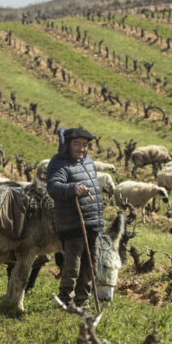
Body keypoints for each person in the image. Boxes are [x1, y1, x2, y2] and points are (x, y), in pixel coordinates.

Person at [46, 127, 104, 308]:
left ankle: (82, 299)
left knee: (91, 263)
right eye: (77, 144)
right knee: (73, 263)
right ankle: (65, 297)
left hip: (91, 222)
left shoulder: (88, 162)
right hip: (72, 221)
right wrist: (73, 189)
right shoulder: (59, 163)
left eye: (85, 145)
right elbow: (53, 186)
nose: (81, 148)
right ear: (68, 144)